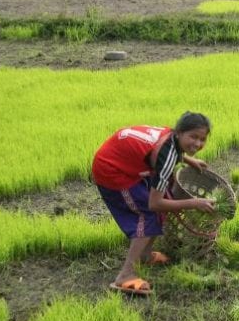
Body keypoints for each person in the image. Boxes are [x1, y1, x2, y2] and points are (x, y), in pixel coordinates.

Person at [92, 111, 215, 294]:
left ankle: (145, 255)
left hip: (127, 163)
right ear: (180, 132)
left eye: (202, 139)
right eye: (193, 137)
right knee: (148, 215)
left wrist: (189, 159)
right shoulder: (166, 157)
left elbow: (165, 151)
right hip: (112, 170)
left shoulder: (170, 137)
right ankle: (125, 276)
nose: (197, 143)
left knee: (162, 201)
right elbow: (155, 203)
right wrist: (194, 202)